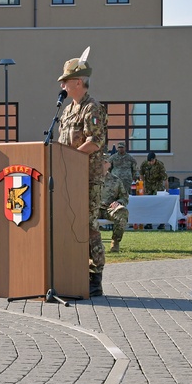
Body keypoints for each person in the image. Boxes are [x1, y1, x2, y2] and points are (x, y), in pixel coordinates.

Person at [57, 54, 108, 297]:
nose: (62, 86)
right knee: (68, 223)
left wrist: (72, 158)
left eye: (66, 81)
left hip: (87, 177)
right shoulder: (67, 110)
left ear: (78, 81)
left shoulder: (92, 108)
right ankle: (72, 271)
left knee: (87, 225)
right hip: (67, 177)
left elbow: (95, 142)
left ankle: (94, 277)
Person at [100, 158, 129, 252]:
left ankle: (115, 241)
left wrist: (119, 202)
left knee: (122, 212)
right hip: (92, 208)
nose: (101, 164)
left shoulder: (116, 180)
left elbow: (124, 196)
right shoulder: (89, 179)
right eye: (98, 162)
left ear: (108, 164)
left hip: (109, 209)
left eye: (104, 162)